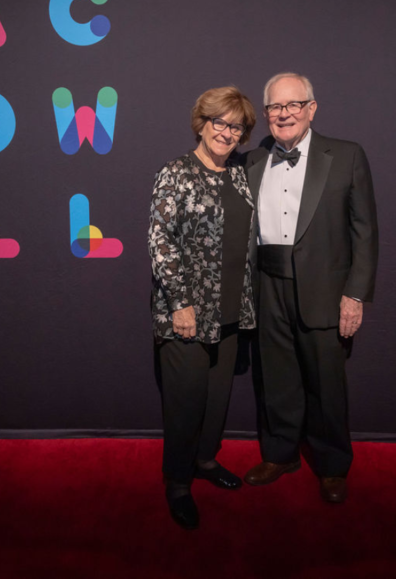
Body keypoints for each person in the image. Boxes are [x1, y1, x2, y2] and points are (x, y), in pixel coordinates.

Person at [243, 72, 379, 503]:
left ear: (311, 108)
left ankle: (333, 464)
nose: (284, 114)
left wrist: (354, 295)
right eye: (275, 107)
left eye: (293, 105)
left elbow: (365, 232)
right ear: (266, 114)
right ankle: (281, 452)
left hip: (324, 287)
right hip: (266, 284)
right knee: (277, 377)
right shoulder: (250, 160)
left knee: (326, 381)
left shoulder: (346, 155)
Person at [148, 87, 257, 529]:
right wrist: (181, 303)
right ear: (202, 122)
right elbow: (159, 241)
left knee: (217, 399)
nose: (227, 132)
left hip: (232, 309)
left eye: (236, 126)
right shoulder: (175, 172)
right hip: (187, 313)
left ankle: (206, 462)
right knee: (186, 403)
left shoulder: (239, 176)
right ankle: (177, 482)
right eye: (220, 122)